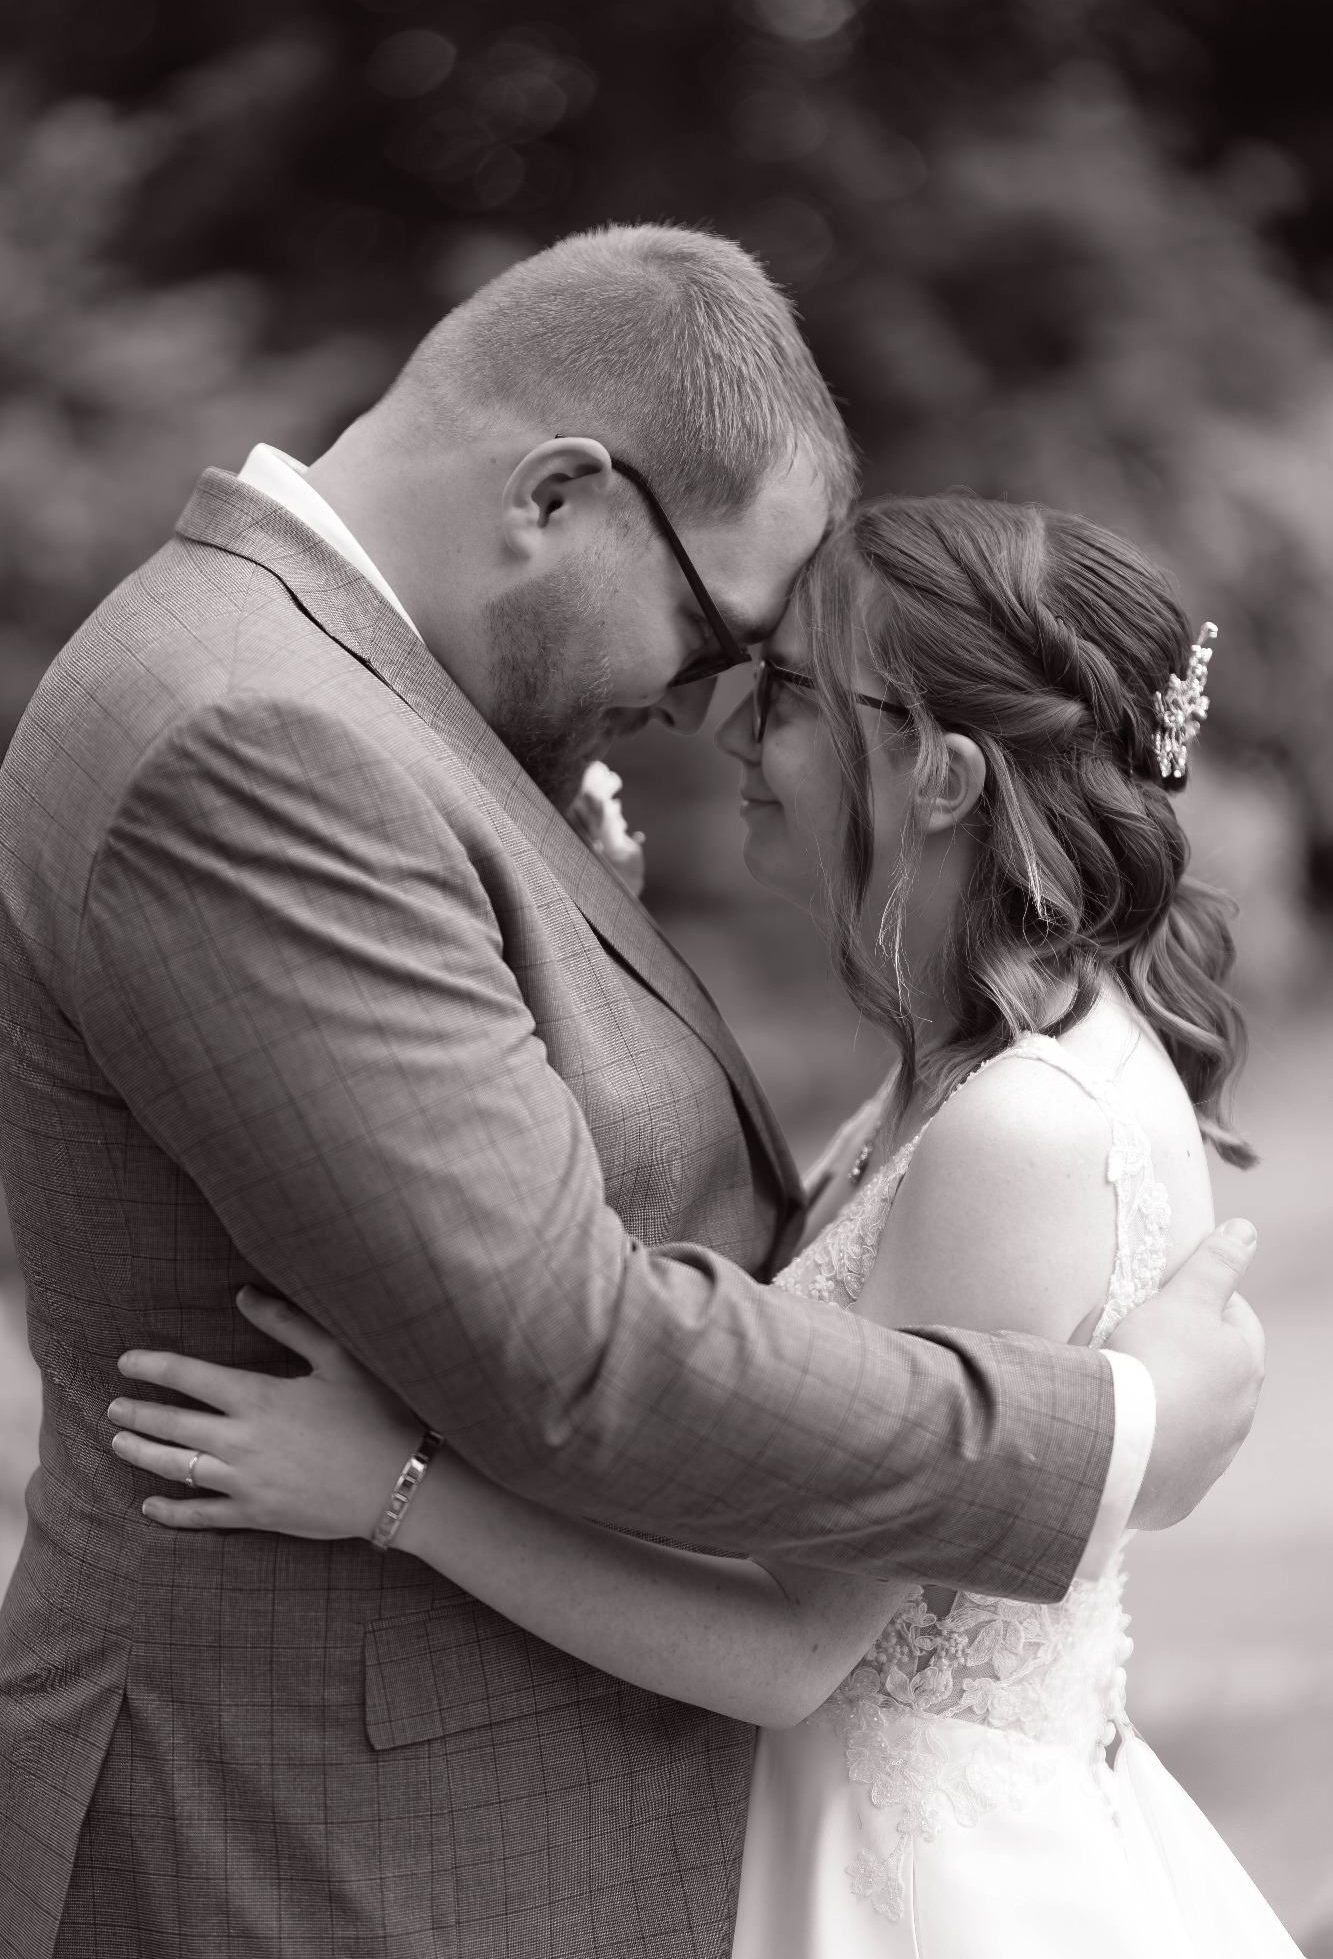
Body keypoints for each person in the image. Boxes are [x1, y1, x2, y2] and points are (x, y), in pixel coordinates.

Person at [0, 229, 1260, 1959]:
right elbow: (562, 1347)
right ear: (556, 496)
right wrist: (1102, 1438)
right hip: (304, 1828)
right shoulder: (253, 731)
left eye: (771, 681)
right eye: (715, 633)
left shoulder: (363, 706)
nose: (699, 707)